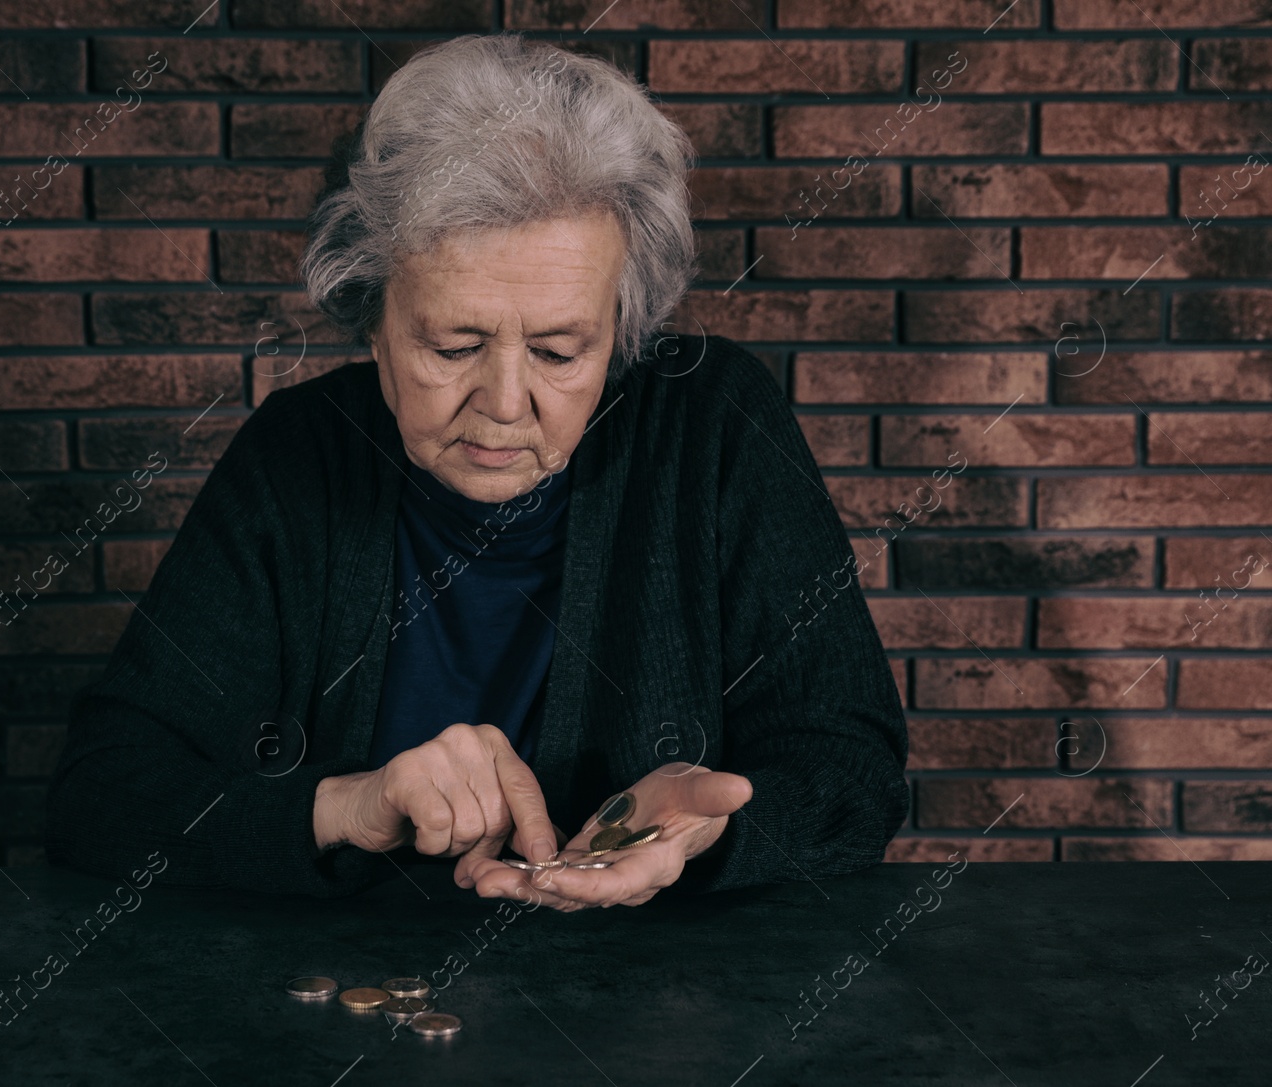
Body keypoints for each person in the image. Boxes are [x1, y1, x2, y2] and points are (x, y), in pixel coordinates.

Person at [45, 32, 909, 910]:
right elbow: (102, 792)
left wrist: (714, 834)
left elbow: (853, 770)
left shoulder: (715, 422)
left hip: (650, 1015)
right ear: (373, 322)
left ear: (623, 335)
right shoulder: (298, 452)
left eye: (560, 351)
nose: (503, 402)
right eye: (453, 345)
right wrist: (347, 805)